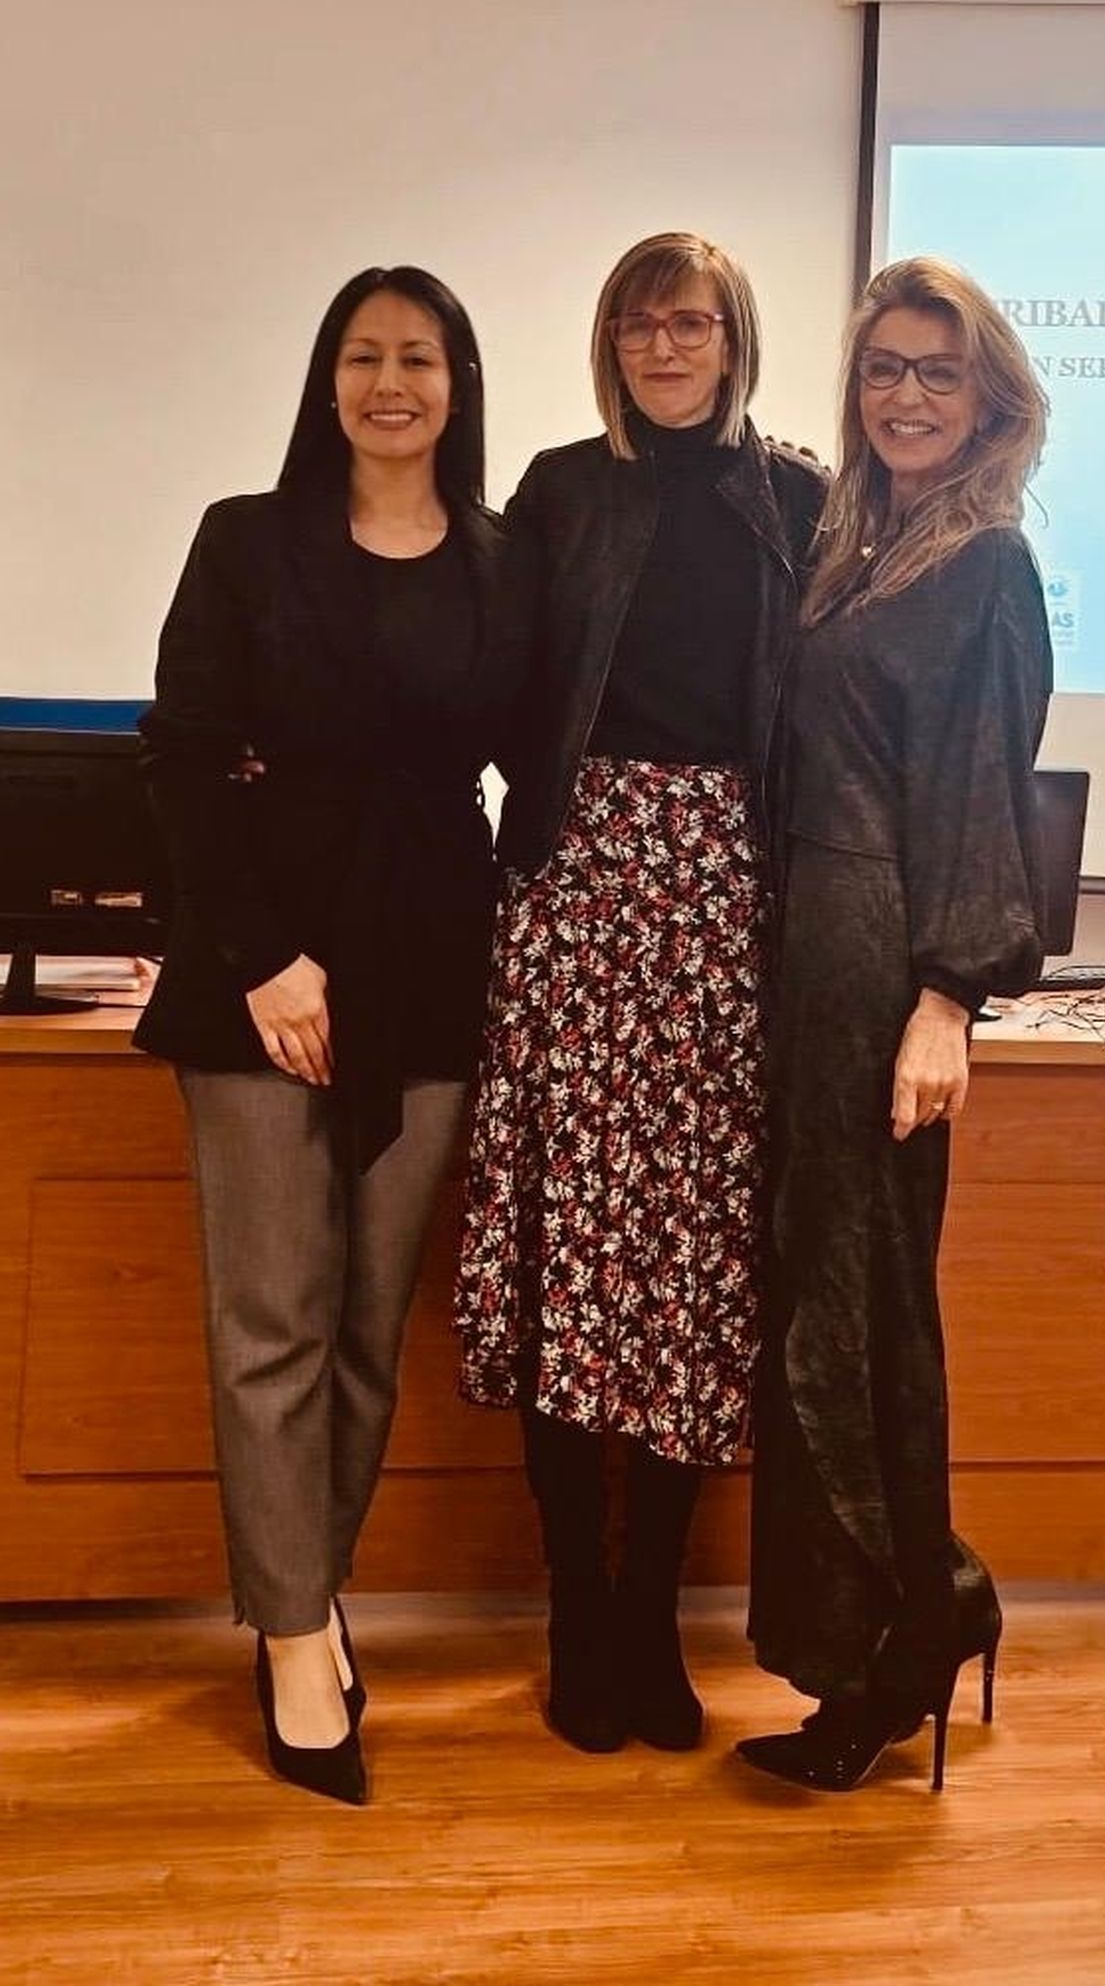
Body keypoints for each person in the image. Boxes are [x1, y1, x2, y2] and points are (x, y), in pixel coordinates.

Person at [136, 266, 510, 1805]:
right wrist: (265, 961)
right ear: (326, 378)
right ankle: (294, 1637)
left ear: (458, 382)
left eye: (419, 355)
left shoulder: (501, 558)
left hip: (431, 968)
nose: (390, 382)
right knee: (272, 1322)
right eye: (362, 355)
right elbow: (179, 759)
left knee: (364, 1325)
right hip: (261, 979)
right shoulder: (247, 540)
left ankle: (312, 1586)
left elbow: (545, 759)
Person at [453, 233, 827, 1755]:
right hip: (575, 884)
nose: (664, 346)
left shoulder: (798, 500)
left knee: (685, 1268)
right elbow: (489, 681)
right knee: (571, 1257)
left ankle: (651, 1617)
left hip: (726, 898)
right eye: (637, 323)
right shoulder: (560, 490)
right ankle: (576, 1616)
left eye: (691, 322)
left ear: (736, 339)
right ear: (608, 343)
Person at [736, 257, 1052, 1794]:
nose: (907, 395)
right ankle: (915, 1602)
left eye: (938, 370)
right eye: (884, 368)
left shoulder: (987, 565)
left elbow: (984, 791)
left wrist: (947, 996)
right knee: (816, 1296)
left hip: (880, 965)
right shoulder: (859, 547)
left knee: (861, 1315)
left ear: (988, 397)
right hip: (807, 950)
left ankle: (901, 1638)